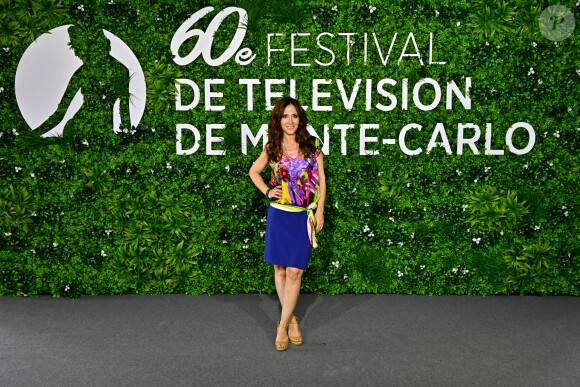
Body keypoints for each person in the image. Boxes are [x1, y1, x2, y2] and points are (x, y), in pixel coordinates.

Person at [249, 96, 326, 351]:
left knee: (296, 271)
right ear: (278, 120)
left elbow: (321, 181)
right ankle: (291, 320)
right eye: (285, 116)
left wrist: (320, 212)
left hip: (303, 214)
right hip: (279, 215)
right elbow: (254, 171)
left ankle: (280, 326)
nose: (290, 121)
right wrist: (266, 190)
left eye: (294, 116)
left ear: (300, 119)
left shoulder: (313, 146)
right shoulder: (272, 148)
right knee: (280, 270)